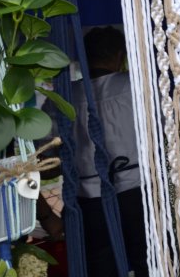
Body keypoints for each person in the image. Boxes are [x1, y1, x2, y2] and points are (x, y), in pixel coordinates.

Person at [73, 26, 148, 277]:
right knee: (147, 260)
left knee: (101, 265)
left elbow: (50, 150)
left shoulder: (66, 96)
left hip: (90, 198)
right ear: (119, 56)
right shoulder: (135, 85)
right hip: (136, 193)